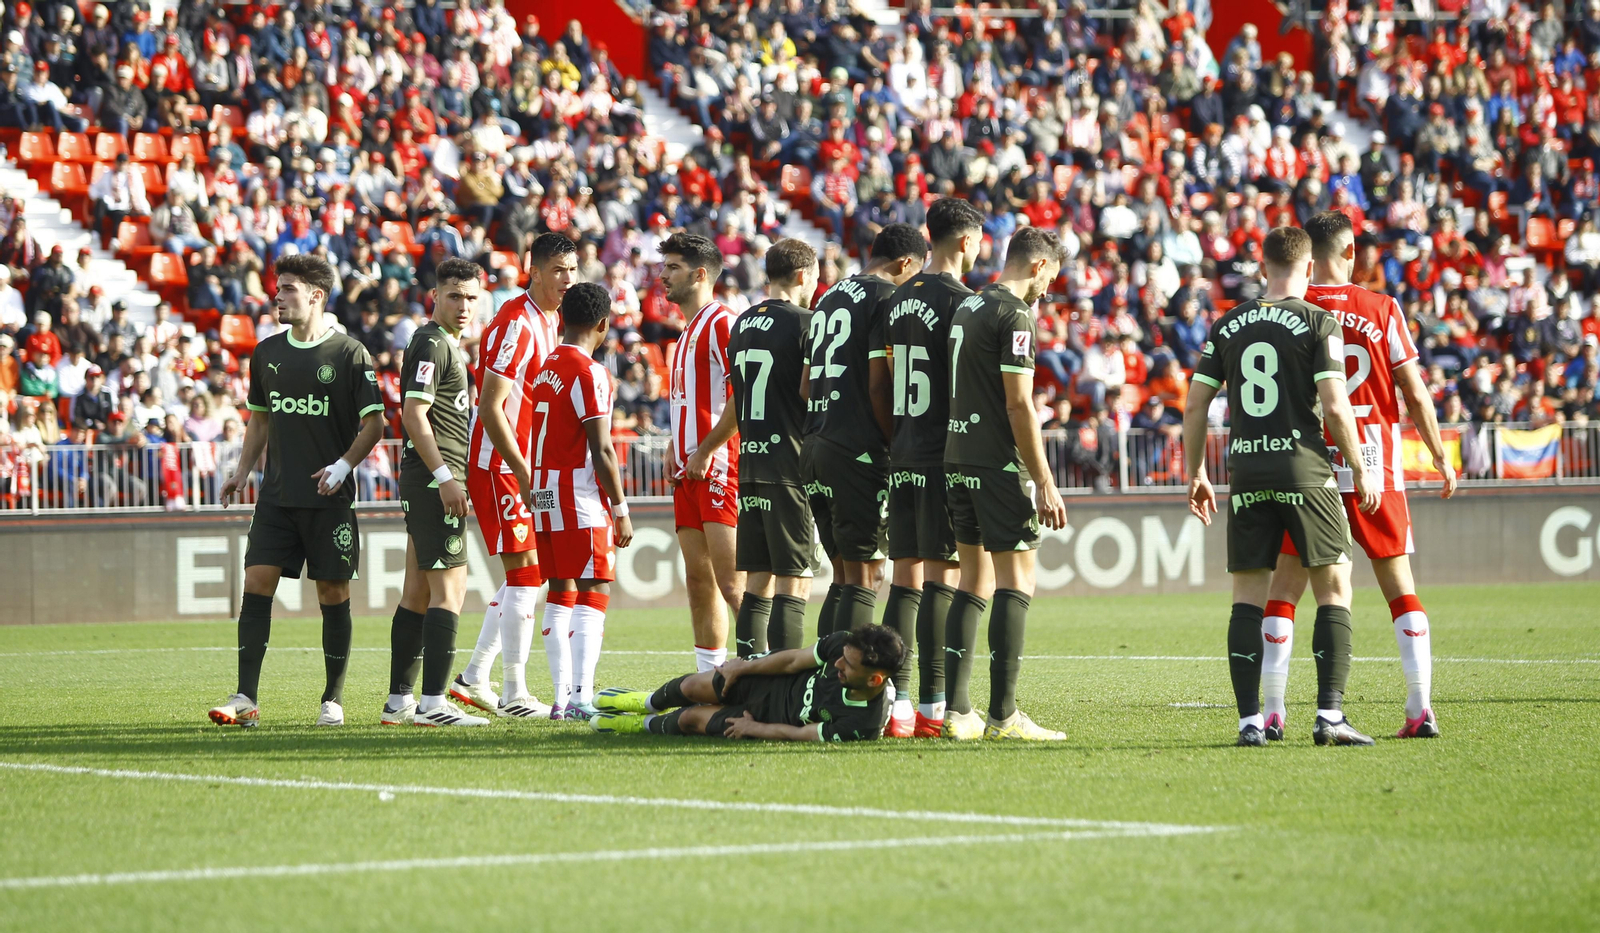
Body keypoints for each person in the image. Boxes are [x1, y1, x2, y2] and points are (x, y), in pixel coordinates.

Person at [1261, 212, 1459, 740]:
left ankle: (1275, 711)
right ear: (1350, 253)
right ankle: (1420, 709)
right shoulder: (1383, 307)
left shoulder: (1288, 312)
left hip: (1308, 466)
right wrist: (1439, 453)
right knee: (1400, 587)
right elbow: (1414, 392)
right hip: (1376, 462)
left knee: (1286, 586)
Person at [1182, 226, 1381, 748]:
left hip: (1245, 470)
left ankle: (1251, 722)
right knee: (1335, 586)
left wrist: (1195, 472)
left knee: (1247, 595)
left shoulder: (1228, 324)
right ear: (1310, 267)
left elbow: (1195, 403)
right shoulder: (1319, 320)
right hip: (1304, 468)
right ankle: (1330, 716)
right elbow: (1335, 405)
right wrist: (1359, 466)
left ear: (1261, 264)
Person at [208, 254, 385, 729]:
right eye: (278, 287)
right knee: (257, 583)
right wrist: (243, 471)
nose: (277, 295)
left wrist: (344, 465)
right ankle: (245, 697)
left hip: (328, 499)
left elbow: (375, 424)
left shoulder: (350, 355)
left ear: (315, 295)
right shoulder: (266, 353)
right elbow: (260, 419)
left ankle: (333, 698)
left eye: (287, 288)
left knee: (332, 592)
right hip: (276, 498)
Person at [941, 226, 1070, 742]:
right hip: (997, 464)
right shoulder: (1014, 314)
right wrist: (1043, 479)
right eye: (1051, 279)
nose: (1048, 291)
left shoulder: (968, 306)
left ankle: (957, 711)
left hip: (957, 458)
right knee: (1017, 582)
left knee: (973, 581)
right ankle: (1003, 715)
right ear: (1037, 265)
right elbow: (1018, 403)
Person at [450, 233, 571, 719]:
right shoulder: (514, 323)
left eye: (572, 269)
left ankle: (474, 675)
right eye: (558, 269)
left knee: (531, 574)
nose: (567, 279)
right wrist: (522, 469)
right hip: (500, 466)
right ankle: (514, 692)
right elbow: (491, 405)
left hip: (524, 468)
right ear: (533, 270)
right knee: (526, 574)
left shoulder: (551, 321)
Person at [687, 238, 820, 663]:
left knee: (757, 582)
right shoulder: (807, 324)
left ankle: (746, 674)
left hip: (751, 467)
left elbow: (737, 400)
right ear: (803, 276)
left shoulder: (743, 324)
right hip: (790, 466)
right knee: (793, 581)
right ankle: (782, 684)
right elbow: (809, 391)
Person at [884, 197, 982, 738]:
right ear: (967, 241)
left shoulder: (898, 299)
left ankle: (894, 708)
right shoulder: (963, 303)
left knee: (904, 579)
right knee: (943, 577)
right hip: (943, 453)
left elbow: (881, 382)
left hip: (901, 449)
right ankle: (934, 706)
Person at [525, 282, 635, 716]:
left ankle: (560, 698)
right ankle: (581, 698)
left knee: (559, 589)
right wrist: (621, 509)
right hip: (578, 494)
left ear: (561, 318)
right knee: (594, 587)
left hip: (544, 492)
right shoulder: (590, 372)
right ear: (603, 326)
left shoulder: (546, 365)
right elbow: (602, 448)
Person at [384, 258, 484, 727]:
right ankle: (433, 704)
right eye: (454, 296)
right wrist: (446, 477)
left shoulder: (442, 343)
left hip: (428, 476)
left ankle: (399, 700)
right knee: (451, 592)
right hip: (432, 478)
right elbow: (413, 414)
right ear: (435, 298)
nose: (463, 306)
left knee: (418, 591)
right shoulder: (431, 343)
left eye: (470, 298)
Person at [589, 624, 907, 742]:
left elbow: (802, 733)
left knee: (689, 719)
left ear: (874, 679)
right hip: (766, 680)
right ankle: (643, 702)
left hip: (768, 719)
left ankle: (639, 726)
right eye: (841, 657)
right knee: (691, 688)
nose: (838, 663)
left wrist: (755, 730)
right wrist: (743, 667)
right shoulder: (842, 644)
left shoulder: (863, 723)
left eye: (847, 665)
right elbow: (792, 660)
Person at [662, 232, 742, 672]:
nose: (662, 276)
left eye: (672, 267)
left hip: (718, 466)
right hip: (688, 470)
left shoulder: (722, 322)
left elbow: (741, 395)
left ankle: (759, 673)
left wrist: (706, 448)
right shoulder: (687, 331)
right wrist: (677, 444)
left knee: (733, 584)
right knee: (699, 581)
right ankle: (709, 679)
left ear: (699, 274)